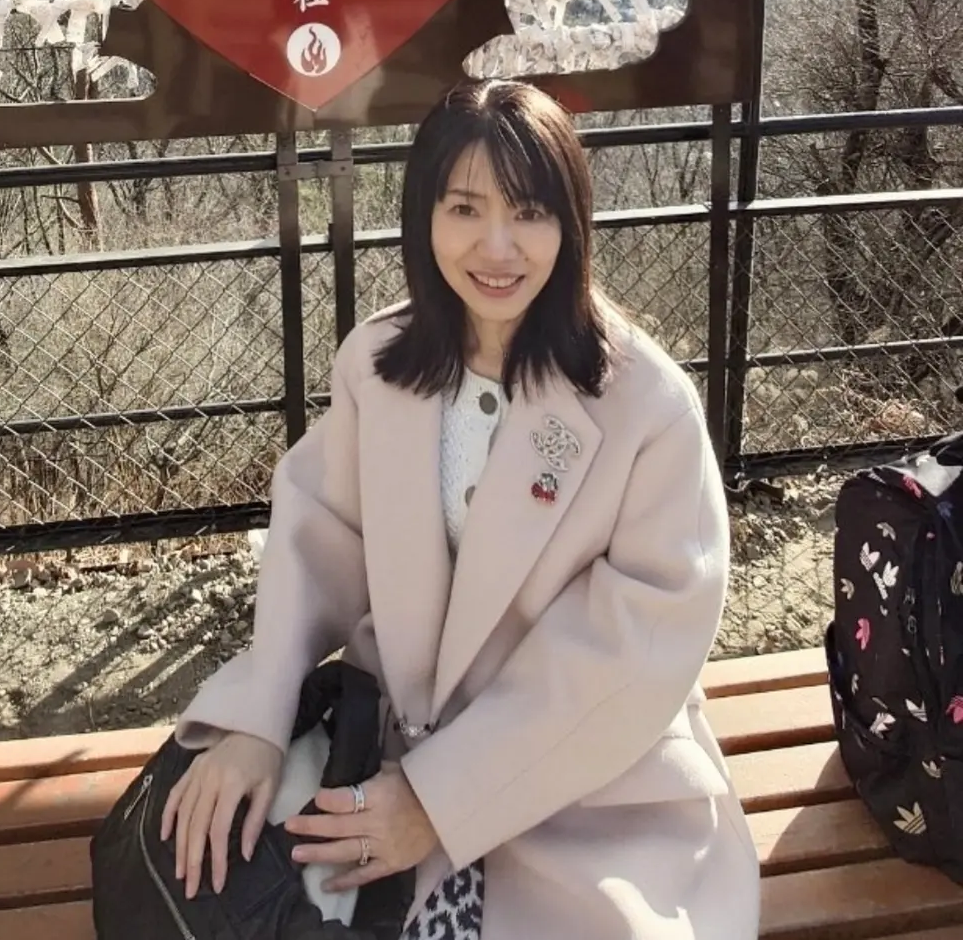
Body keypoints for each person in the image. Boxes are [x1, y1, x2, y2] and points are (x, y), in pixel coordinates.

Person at [163, 78, 761, 939]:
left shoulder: (643, 404)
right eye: (464, 207)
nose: (497, 245)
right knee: (219, 873)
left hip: (585, 777)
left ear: (572, 221)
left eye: (528, 211)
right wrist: (258, 717)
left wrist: (442, 799)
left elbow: (638, 646)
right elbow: (317, 535)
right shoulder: (379, 363)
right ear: (423, 217)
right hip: (392, 742)